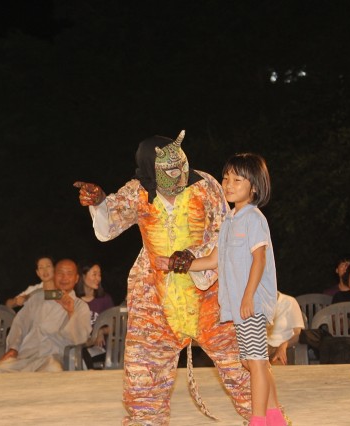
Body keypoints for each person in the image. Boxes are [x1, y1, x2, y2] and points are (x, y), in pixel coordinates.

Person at [74, 131, 251, 425]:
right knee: (145, 371)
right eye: (171, 169)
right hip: (155, 295)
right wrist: (100, 201)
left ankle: (263, 417)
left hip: (210, 291)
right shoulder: (137, 192)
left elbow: (226, 232)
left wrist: (195, 255)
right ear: (151, 173)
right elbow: (107, 229)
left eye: (183, 164)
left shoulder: (205, 185)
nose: (181, 173)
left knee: (240, 364)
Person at [179, 152, 287, 426]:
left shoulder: (253, 218)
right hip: (238, 305)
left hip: (250, 302)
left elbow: (259, 259)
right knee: (253, 362)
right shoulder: (229, 221)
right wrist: (183, 265)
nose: (228, 184)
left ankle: (259, 420)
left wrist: (249, 295)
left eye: (237, 179)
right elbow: (214, 259)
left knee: (256, 362)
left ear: (254, 187)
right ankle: (274, 417)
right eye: (226, 177)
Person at [0, 259, 91, 373]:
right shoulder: (36, 299)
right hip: (27, 356)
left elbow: (80, 338)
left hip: (55, 358)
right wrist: (13, 348)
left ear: (76, 278)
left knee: (52, 369)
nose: (64, 278)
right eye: (60, 273)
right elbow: (20, 324)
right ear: (54, 275)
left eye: (69, 274)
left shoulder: (80, 306)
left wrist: (71, 313)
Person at [75, 262, 115, 369]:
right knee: (77, 354)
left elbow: (115, 325)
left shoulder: (104, 299)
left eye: (99, 274)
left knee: (83, 356)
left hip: (99, 348)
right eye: (94, 274)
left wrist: (101, 330)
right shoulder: (73, 300)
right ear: (83, 276)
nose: (98, 278)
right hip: (79, 345)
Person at [267, 292, 305, 365]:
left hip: (283, 347)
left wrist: (283, 345)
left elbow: (297, 334)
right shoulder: (257, 302)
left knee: (276, 368)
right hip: (261, 349)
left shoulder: (289, 301)